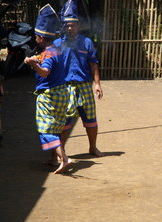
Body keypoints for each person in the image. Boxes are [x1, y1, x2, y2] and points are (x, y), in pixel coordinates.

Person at [24, 4, 73, 174]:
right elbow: (43, 59)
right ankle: (54, 159)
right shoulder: (54, 50)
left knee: (45, 129)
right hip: (61, 93)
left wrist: (33, 66)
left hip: (50, 95)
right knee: (56, 128)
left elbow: (45, 72)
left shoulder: (49, 54)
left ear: (40, 37)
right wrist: (34, 59)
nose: (35, 39)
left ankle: (64, 158)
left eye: (36, 37)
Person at [53, 0, 104, 157]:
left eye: (72, 25)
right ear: (63, 26)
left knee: (91, 120)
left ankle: (93, 147)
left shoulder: (86, 42)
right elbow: (51, 67)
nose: (70, 28)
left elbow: (93, 64)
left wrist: (97, 84)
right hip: (65, 88)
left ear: (78, 25)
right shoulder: (57, 44)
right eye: (67, 25)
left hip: (84, 87)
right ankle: (59, 154)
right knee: (64, 123)